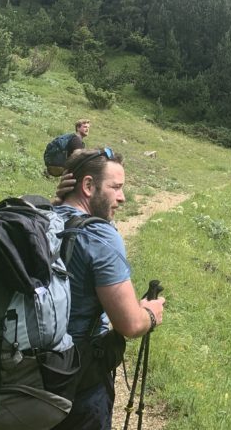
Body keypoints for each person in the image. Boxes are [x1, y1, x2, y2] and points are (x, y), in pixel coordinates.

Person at [52, 147, 165, 430]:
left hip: (23, 376)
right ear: (88, 186)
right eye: (115, 187)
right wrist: (150, 314)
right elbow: (129, 324)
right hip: (78, 379)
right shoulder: (100, 235)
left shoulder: (42, 217)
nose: (122, 197)